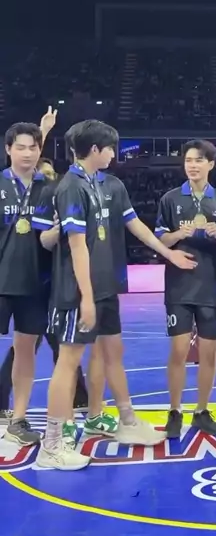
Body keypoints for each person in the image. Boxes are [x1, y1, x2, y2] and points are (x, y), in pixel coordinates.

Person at [35, 119, 198, 470]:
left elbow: (135, 225)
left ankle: (127, 421)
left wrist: (168, 253)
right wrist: (86, 297)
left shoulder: (108, 183)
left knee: (114, 352)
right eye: (111, 148)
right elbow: (76, 246)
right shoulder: (71, 187)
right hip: (76, 292)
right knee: (68, 362)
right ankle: (52, 445)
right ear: (95, 149)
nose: (114, 154)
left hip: (106, 287)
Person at [155, 140, 216, 438]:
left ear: (210, 164)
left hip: (210, 285)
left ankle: (201, 411)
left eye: (198, 160)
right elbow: (160, 240)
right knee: (179, 351)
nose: (192, 165)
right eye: (188, 160)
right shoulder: (170, 199)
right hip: (178, 285)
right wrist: (179, 233)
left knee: (209, 353)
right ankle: (175, 411)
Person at [0, 123, 51, 445]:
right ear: (8, 149)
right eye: (20, 147)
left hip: (35, 284)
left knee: (26, 351)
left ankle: (18, 419)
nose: (27, 153)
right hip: (2, 280)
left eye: (33, 147)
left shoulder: (49, 188)